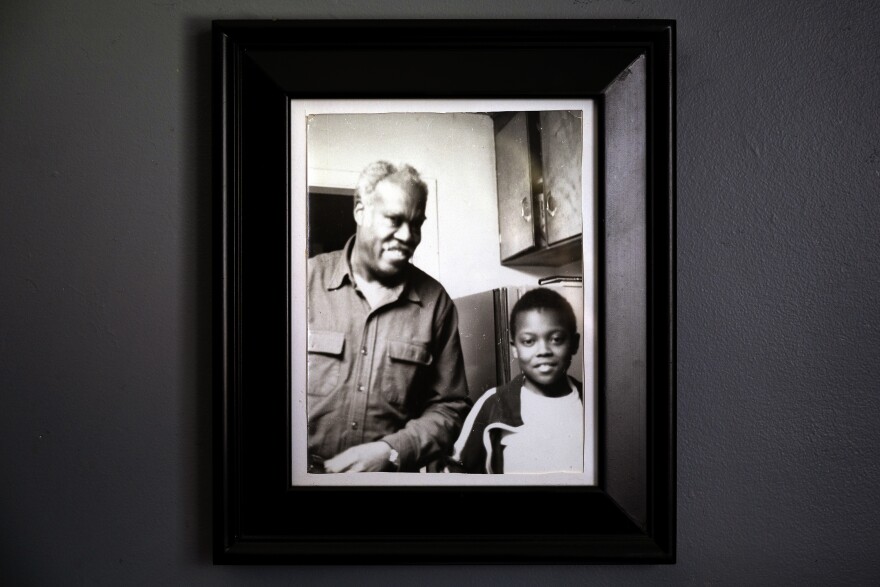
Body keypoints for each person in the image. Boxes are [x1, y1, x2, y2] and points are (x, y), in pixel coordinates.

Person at [307, 161, 470, 473]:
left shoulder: (437, 304)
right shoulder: (302, 282)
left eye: (417, 223)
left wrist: (391, 452)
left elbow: (451, 407)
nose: (408, 236)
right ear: (360, 211)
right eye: (394, 220)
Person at [447, 287, 583, 474]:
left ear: (574, 343)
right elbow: (457, 473)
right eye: (529, 341)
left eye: (556, 339)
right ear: (514, 348)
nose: (543, 350)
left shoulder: (595, 403)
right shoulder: (494, 404)